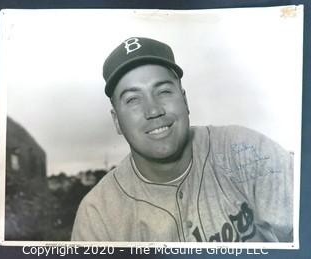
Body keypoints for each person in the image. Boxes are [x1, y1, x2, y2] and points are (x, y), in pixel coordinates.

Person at [71, 37, 293, 242]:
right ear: (117, 121)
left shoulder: (244, 150)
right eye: (133, 99)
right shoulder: (97, 214)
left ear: (184, 100)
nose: (154, 110)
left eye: (164, 91)